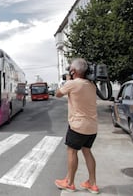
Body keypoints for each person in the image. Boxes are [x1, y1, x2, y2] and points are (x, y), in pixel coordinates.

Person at [54, 58, 99, 194]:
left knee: (72, 152)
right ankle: (92, 184)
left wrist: (68, 80)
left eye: (70, 70)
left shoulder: (72, 84)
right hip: (92, 127)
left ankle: (69, 183)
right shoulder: (91, 85)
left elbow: (57, 94)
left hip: (78, 126)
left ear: (73, 71)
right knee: (87, 151)